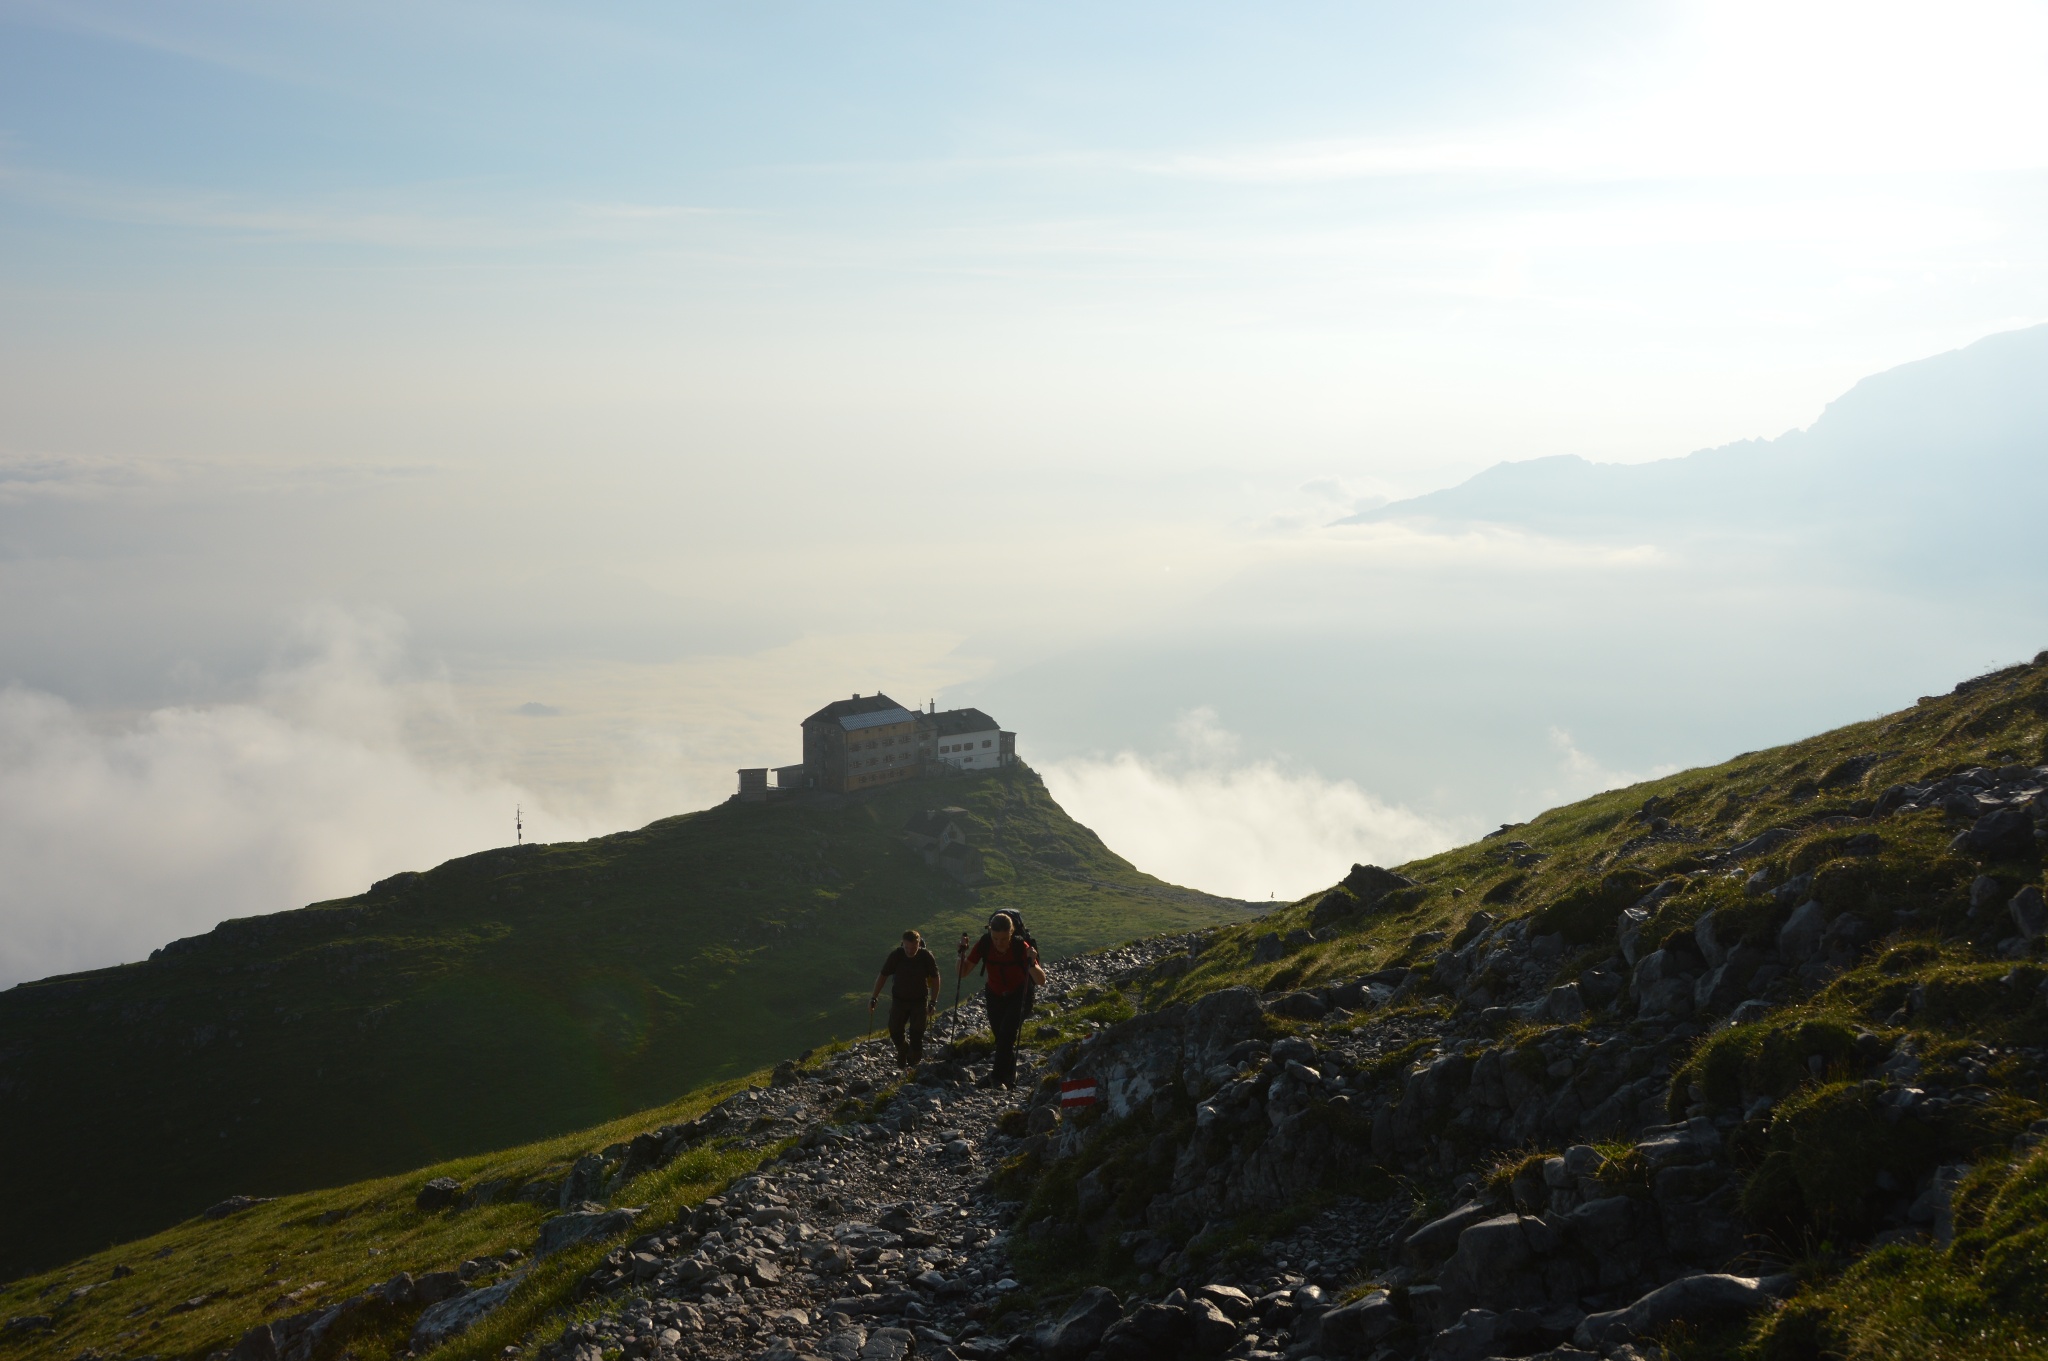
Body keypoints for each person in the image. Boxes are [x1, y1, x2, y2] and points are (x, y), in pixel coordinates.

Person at [959, 912, 1046, 1088]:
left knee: (1006, 1034)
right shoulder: (985, 943)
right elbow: (963, 972)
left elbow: (1041, 980)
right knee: (1001, 1037)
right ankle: (1010, 1074)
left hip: (1020, 995)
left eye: (1004, 939)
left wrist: (1031, 960)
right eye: (995, 938)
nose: (999, 943)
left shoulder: (1021, 946)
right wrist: (961, 953)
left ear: (1012, 933)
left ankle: (996, 1078)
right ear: (990, 932)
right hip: (994, 995)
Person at [870, 929, 941, 1067]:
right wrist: (874, 998)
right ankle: (903, 1050)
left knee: (917, 1035)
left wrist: (933, 1001)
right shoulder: (896, 955)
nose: (909, 951)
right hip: (899, 1000)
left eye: (913, 947)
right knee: (895, 1031)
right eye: (906, 947)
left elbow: (936, 977)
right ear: (902, 944)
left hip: (919, 1000)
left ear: (919, 944)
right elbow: (883, 975)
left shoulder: (926, 956)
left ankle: (913, 1068)